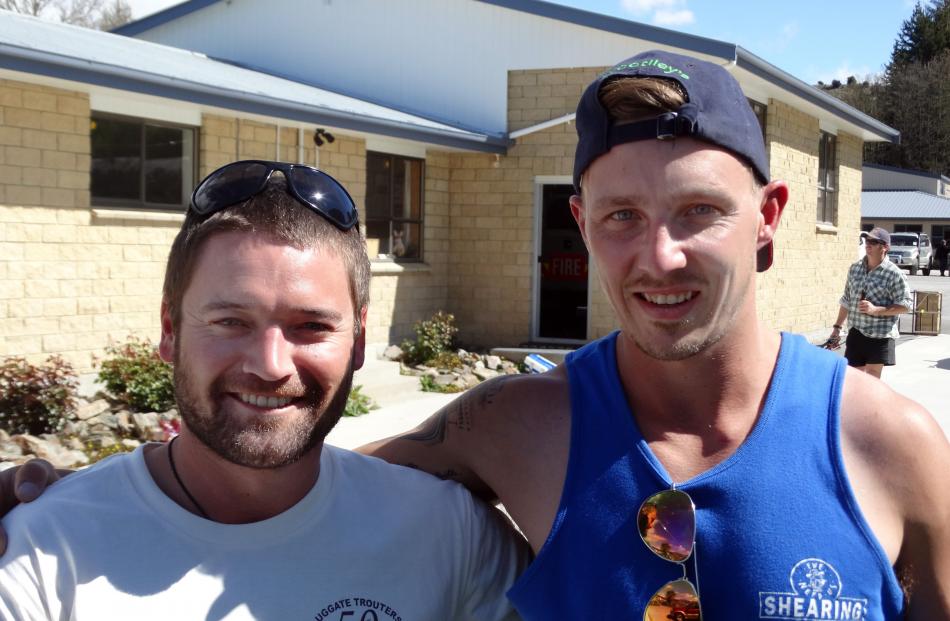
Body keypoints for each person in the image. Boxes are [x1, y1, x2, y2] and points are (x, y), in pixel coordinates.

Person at [4, 51, 950, 617]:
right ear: (581, 223)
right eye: (621, 215)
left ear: (771, 214)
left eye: (699, 211)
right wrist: (71, 492)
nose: (658, 256)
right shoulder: (510, 429)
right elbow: (281, 446)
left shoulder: (891, 446)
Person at [0, 161, 529, 620]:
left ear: (359, 341)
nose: (270, 366)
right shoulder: (43, 554)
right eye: (230, 321)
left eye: (311, 326)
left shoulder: (450, 535)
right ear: (169, 330)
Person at [829, 227, 913, 379]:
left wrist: (876, 310)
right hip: (856, 332)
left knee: (872, 380)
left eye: (874, 242)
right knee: (854, 378)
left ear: (885, 247)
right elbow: (846, 300)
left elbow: (906, 305)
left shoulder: (894, 273)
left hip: (880, 335)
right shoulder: (855, 269)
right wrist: (837, 328)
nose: (868, 245)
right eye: (867, 241)